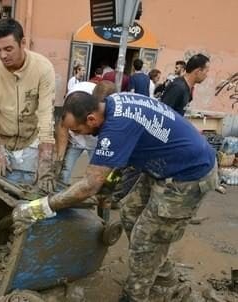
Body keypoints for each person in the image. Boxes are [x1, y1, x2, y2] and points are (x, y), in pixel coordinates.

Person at [12, 80, 218, 302]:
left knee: (146, 237)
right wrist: (109, 191)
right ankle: (162, 275)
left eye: (77, 130)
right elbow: (119, 162)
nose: (78, 135)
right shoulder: (112, 104)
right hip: (162, 164)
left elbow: (90, 185)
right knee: (130, 213)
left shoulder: (116, 127)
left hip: (188, 175)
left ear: (91, 119)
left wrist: (40, 207)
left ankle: (134, 296)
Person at [0, 18, 56, 192]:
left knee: (29, 192)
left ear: (23, 43)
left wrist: (45, 161)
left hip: (31, 139)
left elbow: (46, 116)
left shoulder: (44, 68)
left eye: (8, 49)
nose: (3, 55)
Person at [56, 82, 98, 185]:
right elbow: (63, 128)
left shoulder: (101, 106)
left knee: (95, 177)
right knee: (64, 172)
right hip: (75, 143)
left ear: (91, 120)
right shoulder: (70, 103)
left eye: (77, 131)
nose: (76, 134)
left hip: (96, 142)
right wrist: (59, 159)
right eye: (72, 130)